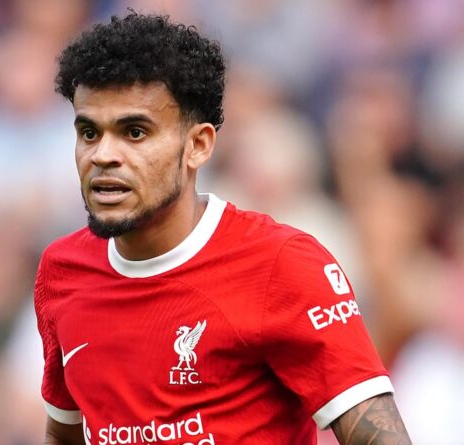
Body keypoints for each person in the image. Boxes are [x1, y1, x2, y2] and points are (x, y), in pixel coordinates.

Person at [34, 12, 411, 445]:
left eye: (134, 132)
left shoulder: (281, 264)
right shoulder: (62, 272)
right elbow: (65, 435)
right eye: (88, 132)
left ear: (198, 146)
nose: (103, 155)